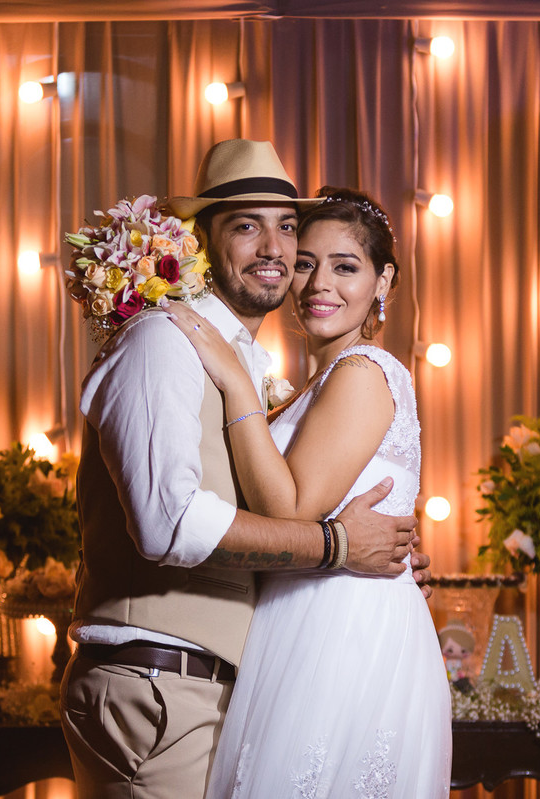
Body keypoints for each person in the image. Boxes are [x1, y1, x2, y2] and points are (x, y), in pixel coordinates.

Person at [60, 139, 432, 799]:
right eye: (246, 225)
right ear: (203, 241)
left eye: (286, 226)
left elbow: (282, 507)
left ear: (383, 281)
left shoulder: (277, 374)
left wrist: (383, 560)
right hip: (160, 684)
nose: (278, 250)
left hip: (262, 672)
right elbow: (170, 523)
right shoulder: (164, 340)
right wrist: (342, 545)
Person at [166, 186, 452, 798]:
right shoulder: (315, 385)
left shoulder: (363, 372)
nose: (320, 283)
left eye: (346, 267)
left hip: (343, 630)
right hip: (303, 615)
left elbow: (291, 510)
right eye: (305, 264)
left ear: (384, 281)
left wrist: (237, 386)